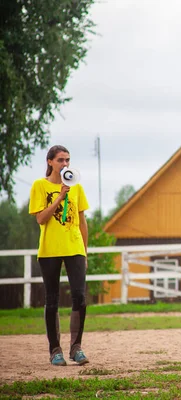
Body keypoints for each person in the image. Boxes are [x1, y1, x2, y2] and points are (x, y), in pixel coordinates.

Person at [29, 145, 90, 366]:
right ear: (50, 162)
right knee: (52, 300)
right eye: (61, 160)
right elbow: (41, 219)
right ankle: (55, 350)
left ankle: (76, 348)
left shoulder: (77, 187)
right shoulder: (39, 186)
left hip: (74, 248)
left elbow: (82, 221)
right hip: (50, 250)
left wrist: (85, 251)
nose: (65, 164)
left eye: (68, 160)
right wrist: (59, 197)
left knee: (79, 298)